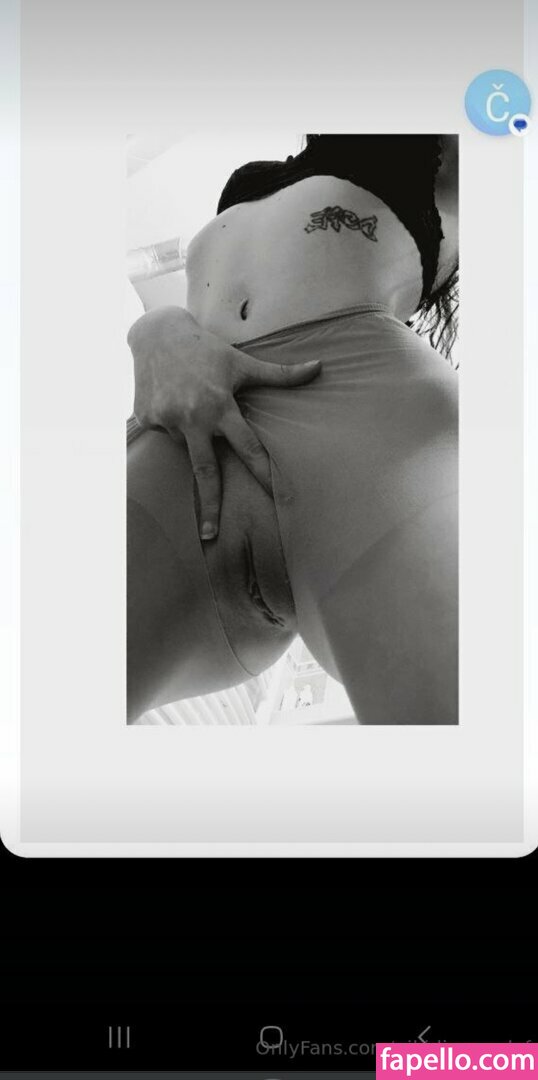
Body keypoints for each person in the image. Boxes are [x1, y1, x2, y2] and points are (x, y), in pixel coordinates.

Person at [128, 134, 458, 725]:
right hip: (188, 428)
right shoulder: (249, 179)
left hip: (366, 424)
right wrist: (152, 330)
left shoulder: (435, 154)